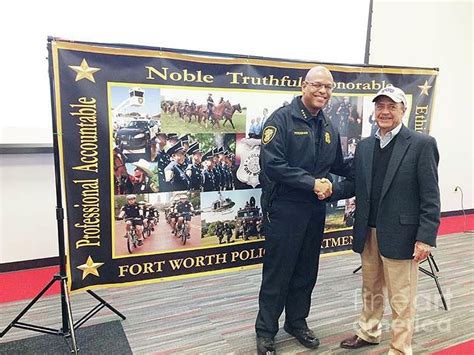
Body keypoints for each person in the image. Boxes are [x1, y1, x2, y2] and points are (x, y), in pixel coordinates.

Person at [333, 86, 440, 354]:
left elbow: (430, 196)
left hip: (402, 234)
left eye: (392, 106)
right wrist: (326, 189)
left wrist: (425, 237)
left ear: (404, 110)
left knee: (401, 297)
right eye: (380, 106)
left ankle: (400, 348)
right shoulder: (366, 146)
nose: (385, 112)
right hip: (368, 230)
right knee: (370, 288)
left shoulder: (421, 144)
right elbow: (356, 184)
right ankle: (369, 332)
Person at [255, 65, 351, 354]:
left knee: (306, 270)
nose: (323, 91)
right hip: (285, 208)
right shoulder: (280, 120)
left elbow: (337, 165)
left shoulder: (329, 126)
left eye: (328, 87)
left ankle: (296, 322)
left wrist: (369, 167)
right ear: (303, 86)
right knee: (278, 271)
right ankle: (265, 331)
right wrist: (312, 183)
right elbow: (272, 165)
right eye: (317, 85)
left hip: (314, 210)